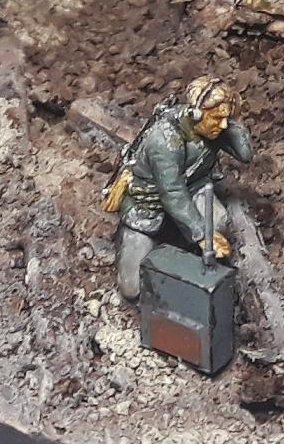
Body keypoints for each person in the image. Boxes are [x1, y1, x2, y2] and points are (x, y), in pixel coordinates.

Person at [105, 77, 254, 301]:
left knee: (218, 222)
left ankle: (183, 249)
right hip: (148, 206)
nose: (223, 125)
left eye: (225, 119)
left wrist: (233, 116)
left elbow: (245, 154)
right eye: (217, 118)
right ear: (197, 114)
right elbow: (172, 192)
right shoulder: (165, 139)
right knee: (132, 287)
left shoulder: (213, 128)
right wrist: (201, 233)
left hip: (193, 190)